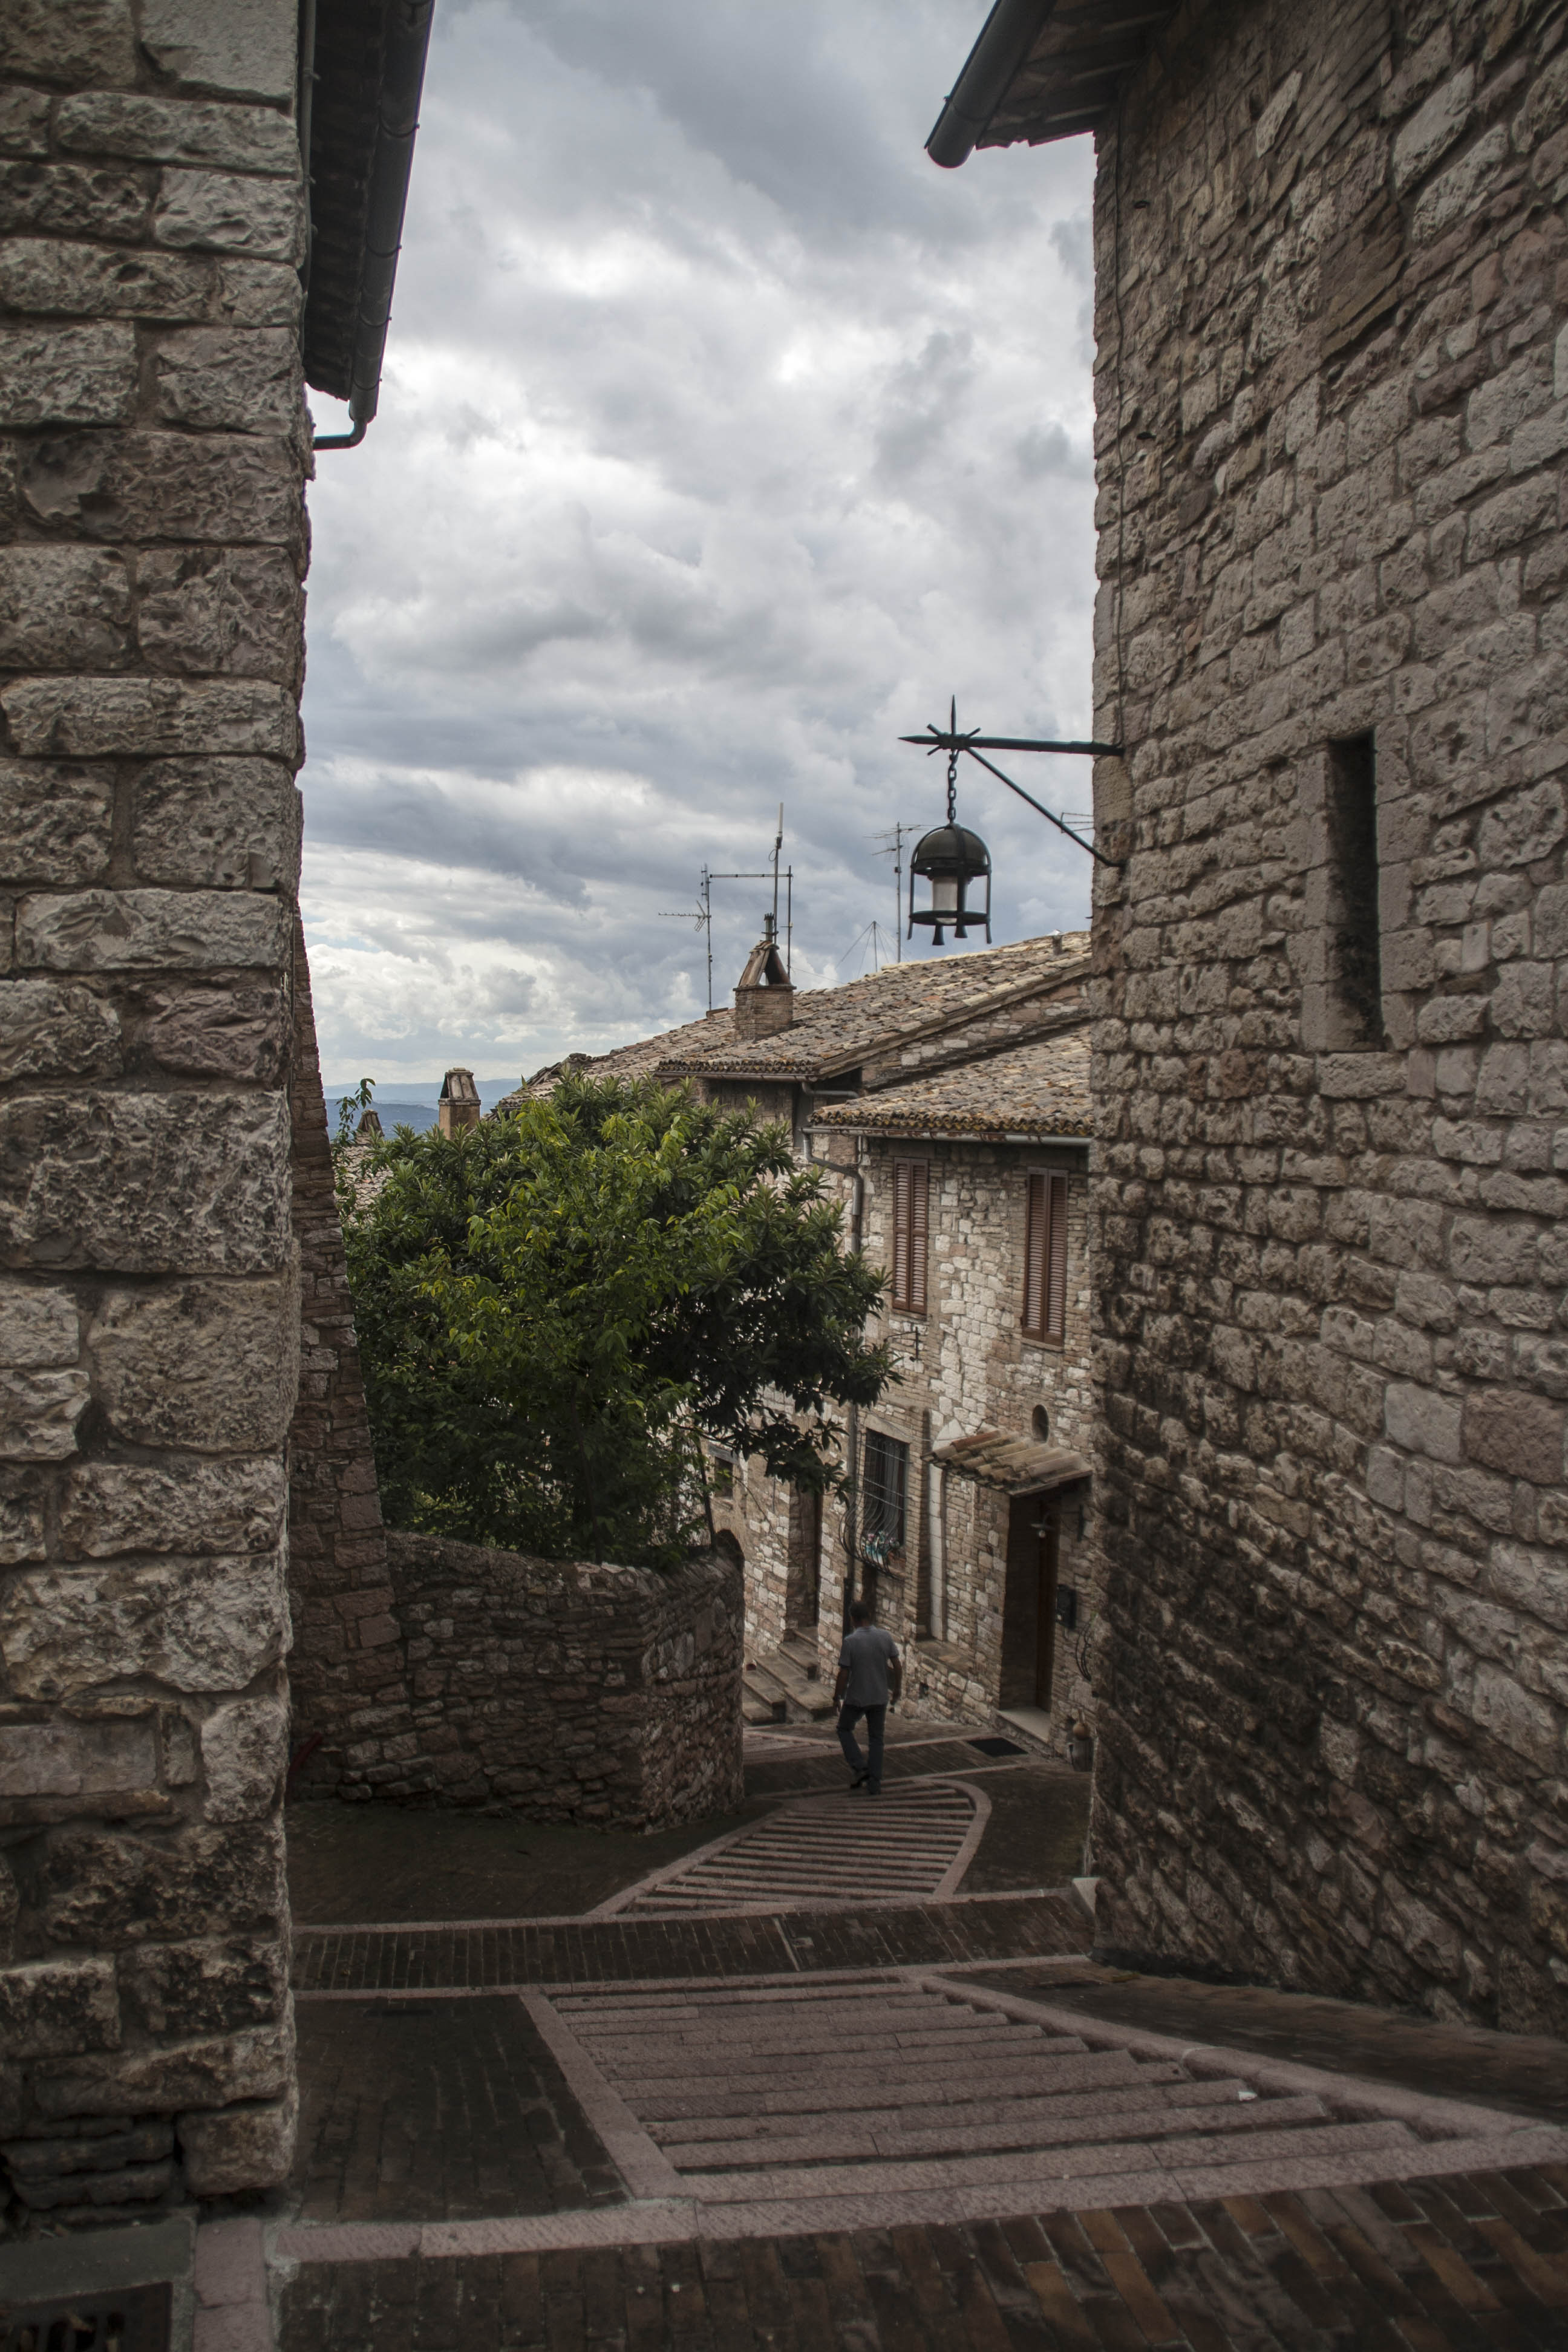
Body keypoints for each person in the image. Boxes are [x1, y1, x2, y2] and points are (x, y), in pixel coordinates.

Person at [835, 1597, 901, 1795]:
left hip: (857, 1696)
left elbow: (844, 1673)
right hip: (880, 1696)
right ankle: (875, 1782)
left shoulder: (850, 1642)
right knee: (876, 1739)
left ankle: (859, 1766)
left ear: (853, 1619)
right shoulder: (885, 1637)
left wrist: (836, 1696)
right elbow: (897, 1665)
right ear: (869, 1617)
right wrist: (897, 1689)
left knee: (844, 1728)